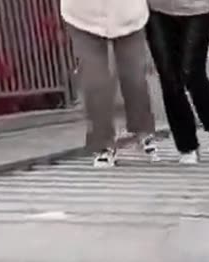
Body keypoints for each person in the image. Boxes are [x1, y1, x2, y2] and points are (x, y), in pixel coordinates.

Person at [60, 0, 160, 168]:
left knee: (134, 74)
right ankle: (102, 145)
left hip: (128, 13)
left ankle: (142, 130)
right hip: (83, 14)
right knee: (96, 79)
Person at [145, 0, 209, 165]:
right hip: (157, 10)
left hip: (197, 10)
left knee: (192, 73)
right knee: (169, 78)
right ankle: (186, 145)